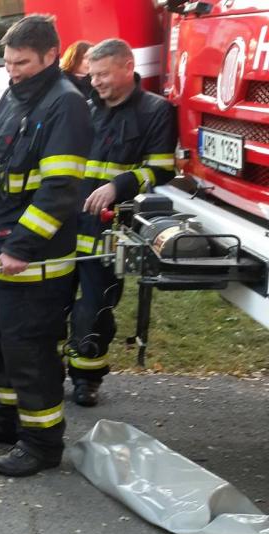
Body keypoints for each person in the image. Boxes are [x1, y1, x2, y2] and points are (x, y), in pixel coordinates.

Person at [0, 15, 91, 477]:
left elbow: (59, 190)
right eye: (9, 63)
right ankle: (7, 420)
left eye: (23, 63)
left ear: (51, 55)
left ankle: (41, 443)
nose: (13, 72)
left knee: (30, 352)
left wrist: (21, 246)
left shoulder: (66, 104)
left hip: (32, 262)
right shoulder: (15, 96)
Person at [68, 38, 177, 407]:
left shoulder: (155, 111)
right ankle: (50, 369)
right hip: (69, 225)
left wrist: (119, 185)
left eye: (103, 74)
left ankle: (87, 378)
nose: (95, 81)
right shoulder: (86, 109)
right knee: (53, 303)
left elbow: (161, 169)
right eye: (92, 75)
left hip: (109, 232)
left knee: (95, 309)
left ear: (128, 67)